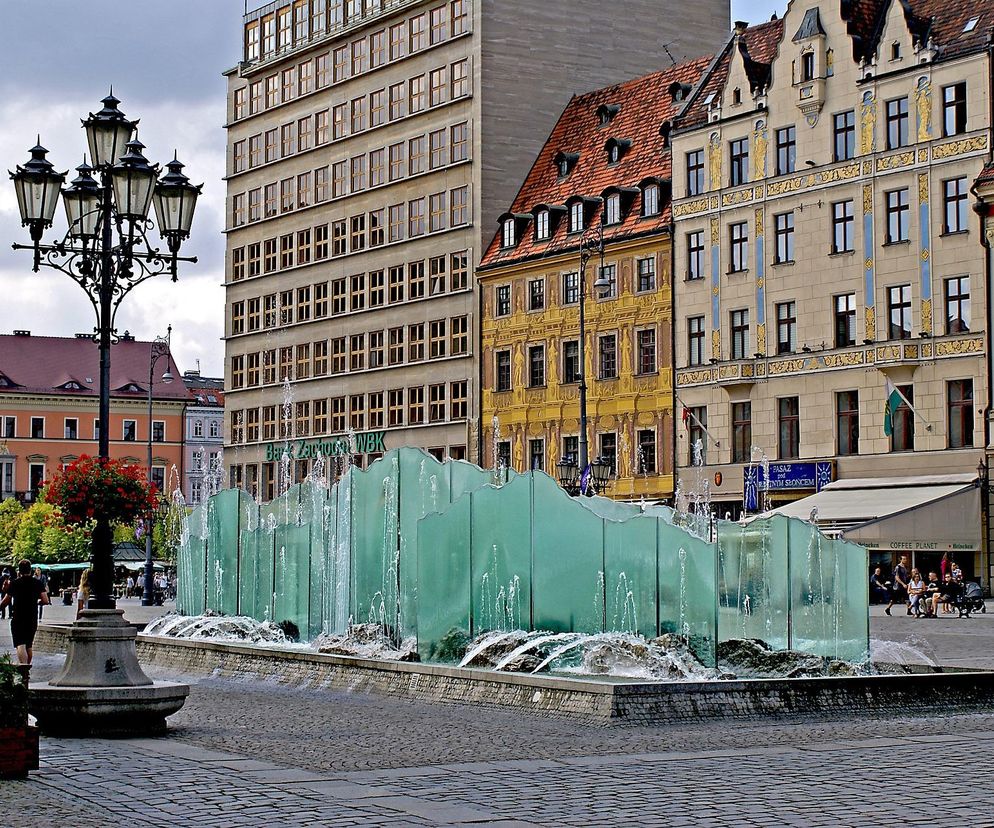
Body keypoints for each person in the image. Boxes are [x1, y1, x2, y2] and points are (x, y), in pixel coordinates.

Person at [0, 559, 50, 665]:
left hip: (18, 617)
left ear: (19, 571)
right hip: (32, 617)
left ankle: (24, 668)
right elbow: (45, 600)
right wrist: (37, 602)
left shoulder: (15, 583)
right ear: (30, 570)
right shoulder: (37, 583)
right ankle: (27, 670)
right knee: (29, 645)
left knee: (20, 644)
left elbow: (6, 601)